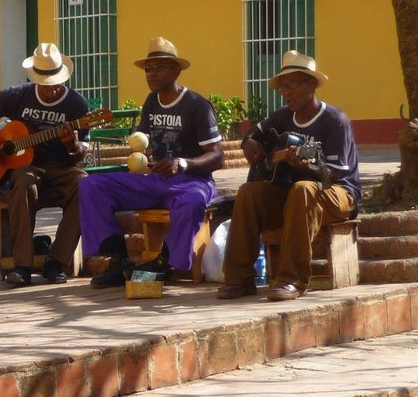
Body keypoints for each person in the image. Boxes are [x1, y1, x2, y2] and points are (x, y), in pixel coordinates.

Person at [80, 36, 224, 288]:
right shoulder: (151, 102)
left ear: (176, 70)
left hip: (191, 181)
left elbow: (218, 155)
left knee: (192, 201)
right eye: (148, 68)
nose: (152, 73)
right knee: (91, 185)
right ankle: (117, 260)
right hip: (155, 180)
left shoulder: (197, 105)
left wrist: (182, 163)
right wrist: (144, 157)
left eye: (159, 67)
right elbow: (145, 141)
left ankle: (164, 264)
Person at [217, 50, 360, 302]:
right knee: (248, 192)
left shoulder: (335, 121)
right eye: (282, 87)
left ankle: (291, 280)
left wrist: (303, 165)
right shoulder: (283, 117)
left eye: (291, 85)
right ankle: (238, 279)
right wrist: (248, 143)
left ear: (311, 84)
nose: (286, 92)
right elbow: (253, 133)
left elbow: (334, 173)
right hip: (293, 195)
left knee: (303, 188)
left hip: (339, 193)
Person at [0, 42, 89, 286]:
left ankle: (57, 261)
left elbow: (80, 152)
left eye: (55, 84)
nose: (51, 90)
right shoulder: (17, 95)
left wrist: (72, 146)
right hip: (26, 166)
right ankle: (22, 265)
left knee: (85, 186)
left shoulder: (76, 104)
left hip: (61, 166)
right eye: (45, 85)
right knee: (22, 182)